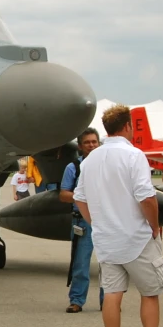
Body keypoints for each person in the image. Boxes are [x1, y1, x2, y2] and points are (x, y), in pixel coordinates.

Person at [73, 104, 163, 327]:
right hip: (136, 238)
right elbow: (147, 197)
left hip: (107, 241)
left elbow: (79, 198)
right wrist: (154, 226)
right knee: (150, 293)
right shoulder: (133, 155)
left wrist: (97, 223)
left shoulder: (90, 159)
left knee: (112, 295)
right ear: (128, 126)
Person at [59, 127, 103, 313]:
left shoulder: (106, 165)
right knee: (80, 263)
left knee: (109, 265)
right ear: (80, 146)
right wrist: (83, 197)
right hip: (82, 222)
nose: (91, 145)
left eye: (94, 142)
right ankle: (77, 300)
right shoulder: (73, 168)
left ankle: (108, 301)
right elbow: (63, 194)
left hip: (105, 222)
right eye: (87, 142)